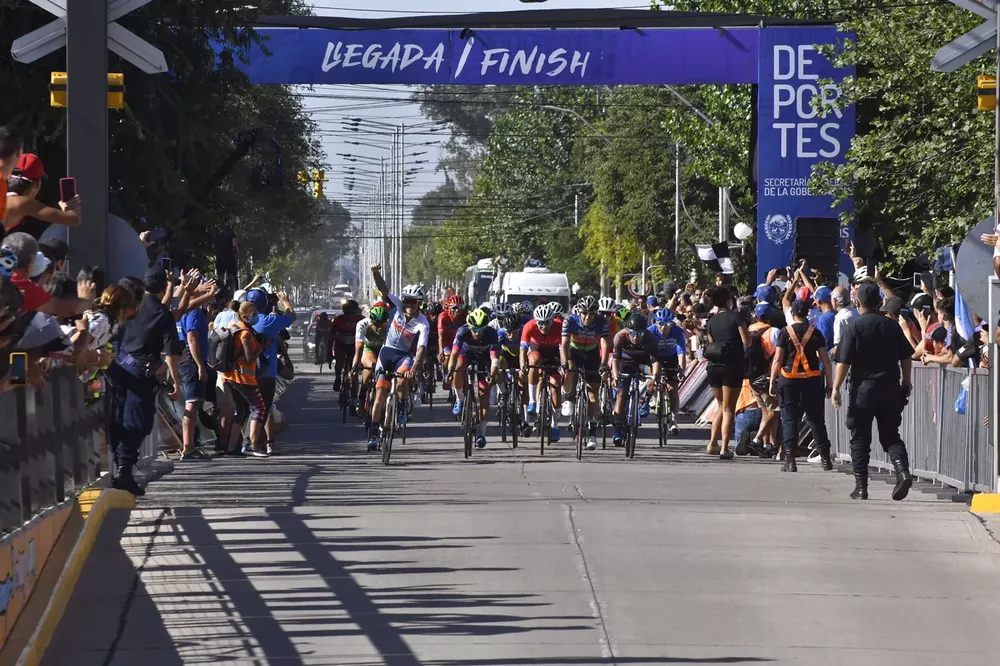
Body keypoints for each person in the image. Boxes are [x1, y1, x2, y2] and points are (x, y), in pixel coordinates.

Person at [831, 282, 915, 501]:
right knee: (890, 435)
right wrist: (906, 382)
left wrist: (835, 388)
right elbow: (906, 356)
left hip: (863, 390)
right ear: (880, 302)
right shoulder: (892, 326)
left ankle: (861, 487)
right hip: (889, 388)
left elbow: (844, 361)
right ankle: (902, 471)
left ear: (858, 302)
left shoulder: (855, 327)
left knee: (860, 438)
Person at [106, 268, 184, 495]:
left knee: (118, 420)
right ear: (162, 288)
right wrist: (174, 381)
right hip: (141, 374)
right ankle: (124, 470)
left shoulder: (119, 308)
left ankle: (122, 469)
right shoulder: (161, 312)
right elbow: (171, 352)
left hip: (115, 369)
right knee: (138, 423)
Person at [367, 265, 429, 452]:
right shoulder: (398, 307)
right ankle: (374, 435)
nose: (409, 305)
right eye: (407, 301)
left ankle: (402, 404)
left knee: (402, 380)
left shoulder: (423, 323)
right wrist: (376, 274)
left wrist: (414, 370)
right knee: (379, 395)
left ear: (420, 303)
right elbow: (384, 289)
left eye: (414, 302)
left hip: (403, 356)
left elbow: (420, 349)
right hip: (386, 353)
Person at [768, 299, 835, 473]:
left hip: (788, 379)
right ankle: (826, 459)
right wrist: (830, 384)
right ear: (807, 314)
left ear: (792, 314)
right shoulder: (816, 332)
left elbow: (778, 359)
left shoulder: (785, 332)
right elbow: (825, 361)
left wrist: (772, 381)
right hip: (812, 379)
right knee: (816, 419)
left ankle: (790, 460)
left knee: (790, 418)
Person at [248, 288, 296, 455]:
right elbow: (291, 317)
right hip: (265, 374)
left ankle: (245, 442)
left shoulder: (239, 319)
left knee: (247, 409)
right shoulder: (268, 321)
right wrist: (285, 301)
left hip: (243, 373)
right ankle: (261, 443)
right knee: (263, 409)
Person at [704, 286, 750, 459]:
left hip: (713, 366)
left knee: (720, 405)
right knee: (729, 408)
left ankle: (712, 443)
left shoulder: (712, 321)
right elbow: (747, 340)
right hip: (732, 365)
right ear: (729, 301)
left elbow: (711, 342)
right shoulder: (736, 316)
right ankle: (724, 447)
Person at [560, 295, 611, 451]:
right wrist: (563, 363)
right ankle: (568, 397)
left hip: (592, 354)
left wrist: (603, 364)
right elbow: (564, 344)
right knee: (569, 370)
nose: (588, 317)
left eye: (591, 314)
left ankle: (593, 433)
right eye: (584, 313)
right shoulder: (570, 320)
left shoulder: (602, 321)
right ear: (579, 312)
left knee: (593, 394)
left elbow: (604, 343)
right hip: (574, 352)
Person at [220, 301, 269, 458]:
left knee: (242, 411)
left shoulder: (234, 325)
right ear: (245, 314)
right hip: (243, 378)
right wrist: (261, 349)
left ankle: (232, 446)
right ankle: (251, 444)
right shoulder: (245, 333)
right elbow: (249, 359)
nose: (255, 314)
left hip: (230, 376)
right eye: (253, 311)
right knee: (260, 408)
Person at [448, 308, 501, 448]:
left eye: (481, 330)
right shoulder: (462, 331)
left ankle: (481, 434)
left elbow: (495, 358)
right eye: (474, 330)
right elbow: (454, 354)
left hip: (485, 359)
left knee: (484, 394)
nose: (477, 333)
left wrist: (493, 373)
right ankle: (460, 399)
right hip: (467, 354)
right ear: (469, 327)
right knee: (458, 368)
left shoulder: (491, 333)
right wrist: (449, 371)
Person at [610, 312, 662, 446]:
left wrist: (655, 378)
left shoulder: (650, 338)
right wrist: (615, 375)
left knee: (654, 374)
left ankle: (647, 399)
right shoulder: (620, 336)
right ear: (627, 331)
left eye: (639, 334)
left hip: (643, 362)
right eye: (632, 333)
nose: (635, 337)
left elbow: (655, 362)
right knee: (621, 394)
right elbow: (615, 359)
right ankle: (617, 428)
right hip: (625, 363)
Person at [520, 303, 564, 441]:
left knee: (556, 384)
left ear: (553, 320)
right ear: (536, 321)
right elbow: (523, 349)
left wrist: (563, 365)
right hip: (537, 349)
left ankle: (555, 425)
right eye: (540, 323)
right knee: (533, 361)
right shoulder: (529, 326)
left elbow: (564, 348)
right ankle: (533, 401)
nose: (543, 326)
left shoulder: (560, 326)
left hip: (554, 352)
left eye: (547, 323)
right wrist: (523, 365)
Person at [647, 308, 686, 436]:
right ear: (655, 322)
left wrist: (681, 370)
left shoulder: (678, 332)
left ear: (672, 324)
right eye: (660, 324)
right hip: (654, 357)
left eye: (667, 324)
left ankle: (674, 420)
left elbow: (681, 353)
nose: (663, 328)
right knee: (653, 380)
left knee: (672, 389)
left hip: (671, 358)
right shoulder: (651, 331)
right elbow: (646, 354)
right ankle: (651, 397)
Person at [351, 304, 390, 417]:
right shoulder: (362, 325)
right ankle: (362, 398)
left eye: (382, 324)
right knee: (371, 366)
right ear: (370, 321)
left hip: (384, 349)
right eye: (376, 324)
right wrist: (355, 367)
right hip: (369, 348)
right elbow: (359, 350)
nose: (378, 328)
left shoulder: (390, 326)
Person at [332, 300, 363, 392]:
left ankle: (354, 399)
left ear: (357, 312)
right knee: (339, 361)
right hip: (341, 343)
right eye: (347, 313)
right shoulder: (338, 320)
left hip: (355, 345)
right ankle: (338, 377)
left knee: (354, 373)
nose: (350, 315)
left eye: (352, 313)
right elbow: (331, 338)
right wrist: (329, 352)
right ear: (343, 312)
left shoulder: (362, 321)